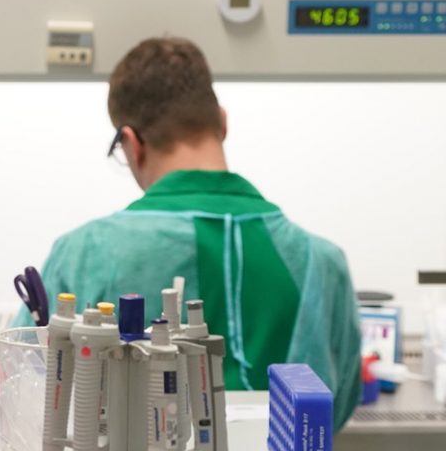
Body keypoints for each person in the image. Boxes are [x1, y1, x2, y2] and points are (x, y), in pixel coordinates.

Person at [18, 37, 361, 429]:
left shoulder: (83, 253)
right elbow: (337, 404)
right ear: (223, 123)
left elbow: (28, 386)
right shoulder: (323, 262)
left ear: (131, 144)